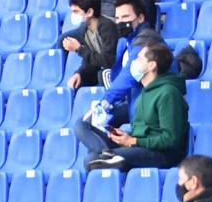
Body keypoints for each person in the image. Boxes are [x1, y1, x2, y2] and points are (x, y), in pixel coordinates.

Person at [80, 41, 188, 171]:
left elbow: (169, 139)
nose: (134, 62)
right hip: (140, 146)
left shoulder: (168, 93)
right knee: (84, 129)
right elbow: (142, 131)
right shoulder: (143, 92)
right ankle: (107, 155)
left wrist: (133, 141)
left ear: (152, 65)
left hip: (161, 154)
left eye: (139, 58)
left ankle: (108, 157)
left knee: (94, 161)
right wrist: (124, 136)